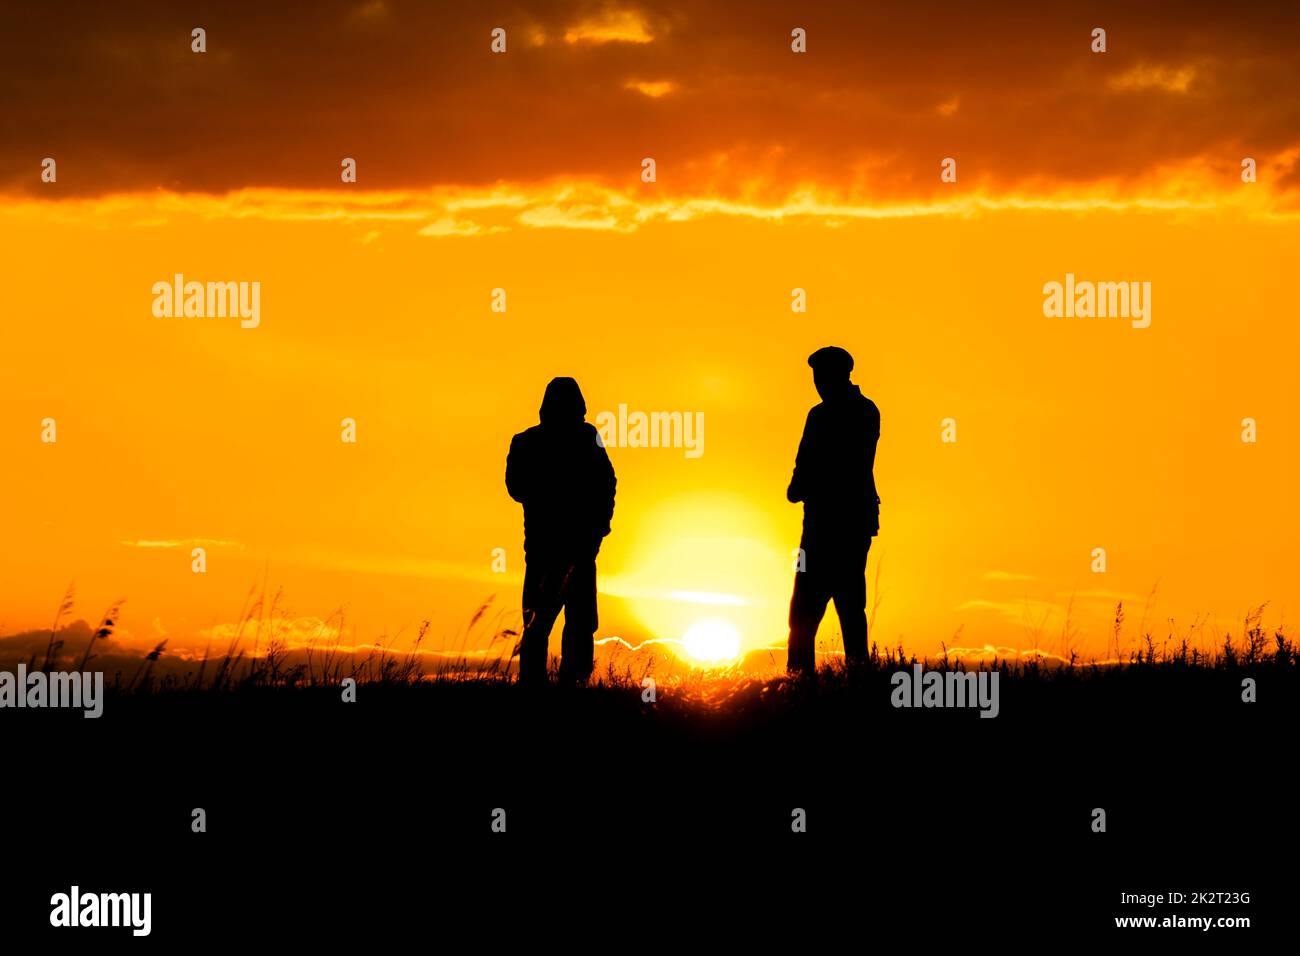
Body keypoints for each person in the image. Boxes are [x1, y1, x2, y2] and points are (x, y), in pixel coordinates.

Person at [506, 377, 616, 686]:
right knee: (539, 625)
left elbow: (607, 483)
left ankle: (569, 686)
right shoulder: (528, 442)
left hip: (575, 551)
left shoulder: (582, 438)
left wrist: (599, 528)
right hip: (547, 552)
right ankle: (539, 687)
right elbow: (516, 487)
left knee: (574, 625)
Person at [785, 346, 881, 675]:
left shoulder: (849, 413)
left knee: (838, 605)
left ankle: (816, 679)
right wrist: (799, 485)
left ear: (838, 375)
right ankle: (806, 681)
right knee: (820, 609)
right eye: (815, 376)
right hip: (831, 524)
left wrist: (800, 486)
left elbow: (828, 462)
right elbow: (805, 463)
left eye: (821, 375)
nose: (817, 383)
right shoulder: (853, 412)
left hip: (837, 525)